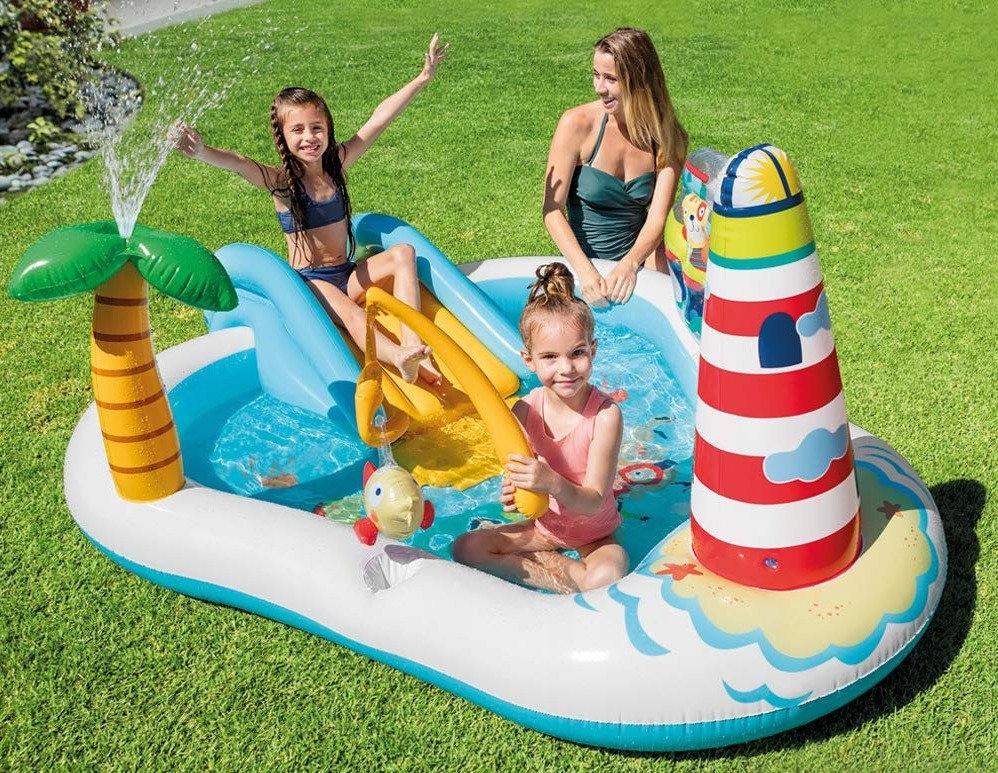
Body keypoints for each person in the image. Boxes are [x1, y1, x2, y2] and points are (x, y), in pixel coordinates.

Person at [172, 35, 449, 384]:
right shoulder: (282, 183)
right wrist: (202, 152)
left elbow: (378, 120)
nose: (309, 137)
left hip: (347, 272)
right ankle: (397, 358)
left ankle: (413, 345)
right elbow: (240, 163)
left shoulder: (337, 165)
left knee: (404, 253)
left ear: (328, 129)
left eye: (317, 128)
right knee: (351, 314)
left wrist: (422, 79)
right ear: (284, 137)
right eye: (298, 130)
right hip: (312, 283)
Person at [452, 263, 627, 593]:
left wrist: (552, 483)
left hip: (596, 535)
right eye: (549, 357)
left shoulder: (605, 416)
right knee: (466, 548)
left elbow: (593, 501)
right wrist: (513, 489)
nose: (566, 368)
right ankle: (568, 575)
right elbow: (522, 477)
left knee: (608, 574)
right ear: (529, 360)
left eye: (577, 353)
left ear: (593, 350)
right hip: (545, 530)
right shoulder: (524, 411)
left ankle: (556, 571)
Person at [542, 27, 688, 307]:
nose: (599, 87)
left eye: (610, 79)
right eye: (596, 75)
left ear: (639, 81)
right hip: (584, 263)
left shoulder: (667, 138)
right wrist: (586, 272)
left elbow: (657, 219)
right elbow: (552, 210)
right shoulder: (577, 124)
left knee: (661, 266)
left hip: (638, 259)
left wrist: (629, 265)